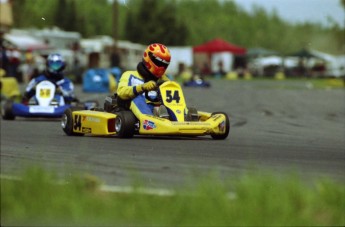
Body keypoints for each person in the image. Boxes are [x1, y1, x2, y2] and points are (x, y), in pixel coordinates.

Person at [116, 43, 171, 116]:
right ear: (148, 57)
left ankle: (183, 119)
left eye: (164, 65)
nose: (162, 67)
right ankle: (150, 122)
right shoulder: (129, 75)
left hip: (159, 111)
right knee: (138, 98)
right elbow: (121, 92)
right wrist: (142, 87)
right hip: (134, 114)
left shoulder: (164, 80)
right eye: (158, 62)